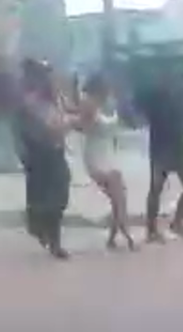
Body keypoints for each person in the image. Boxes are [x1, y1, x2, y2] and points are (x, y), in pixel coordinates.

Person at [138, 70, 183, 243]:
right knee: (156, 189)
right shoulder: (155, 99)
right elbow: (142, 115)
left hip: (178, 149)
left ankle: (177, 222)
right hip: (161, 148)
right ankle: (152, 229)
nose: (174, 83)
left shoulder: (182, 99)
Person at [16, 59, 75, 260]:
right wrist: (68, 123)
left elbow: (67, 113)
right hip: (39, 155)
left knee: (59, 194)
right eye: (46, 74)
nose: (51, 78)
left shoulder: (53, 98)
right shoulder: (31, 100)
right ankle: (48, 236)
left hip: (54, 151)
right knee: (43, 197)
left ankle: (47, 233)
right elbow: (51, 126)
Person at [77, 74, 136, 251]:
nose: (110, 91)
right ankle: (127, 235)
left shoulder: (107, 105)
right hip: (96, 155)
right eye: (107, 87)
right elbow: (84, 126)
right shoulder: (88, 104)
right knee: (119, 196)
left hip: (108, 153)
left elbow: (117, 126)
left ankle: (114, 237)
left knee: (118, 197)